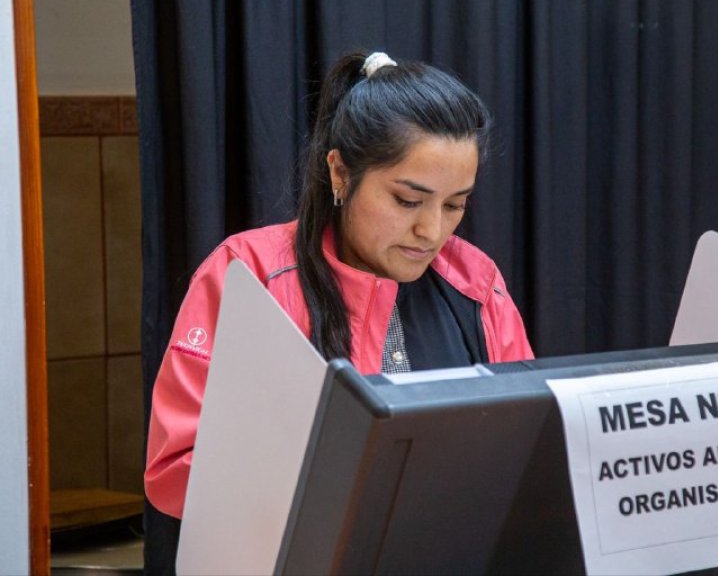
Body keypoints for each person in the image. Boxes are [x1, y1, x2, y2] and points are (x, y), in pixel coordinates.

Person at [144, 51, 534, 519]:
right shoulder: (248, 275)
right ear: (340, 173)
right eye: (407, 200)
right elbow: (176, 470)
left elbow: (526, 441)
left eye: (454, 205)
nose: (431, 231)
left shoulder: (475, 282)